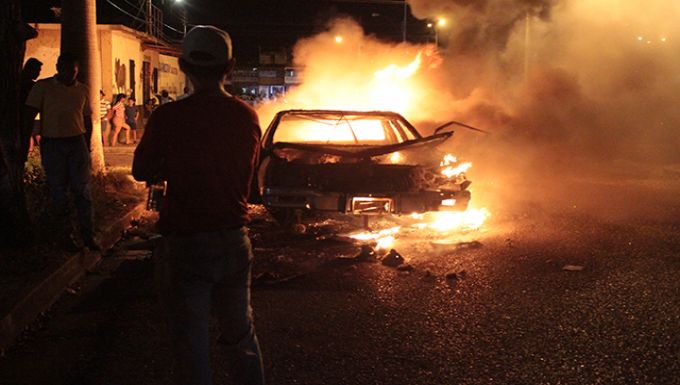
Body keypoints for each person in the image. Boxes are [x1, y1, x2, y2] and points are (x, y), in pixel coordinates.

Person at [132, 26, 264, 385]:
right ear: (231, 66)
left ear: (183, 64)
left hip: (187, 242)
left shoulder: (168, 118)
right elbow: (249, 178)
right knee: (241, 336)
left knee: (191, 341)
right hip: (234, 239)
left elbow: (140, 169)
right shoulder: (246, 116)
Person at [24, 53, 100, 252]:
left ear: (77, 71)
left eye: (73, 71)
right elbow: (29, 115)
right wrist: (26, 140)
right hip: (52, 143)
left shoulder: (83, 89)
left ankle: (88, 236)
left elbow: (87, 120)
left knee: (82, 191)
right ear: (58, 68)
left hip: (76, 142)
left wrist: (87, 143)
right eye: (66, 70)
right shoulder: (43, 87)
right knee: (59, 192)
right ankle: (66, 237)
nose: (69, 75)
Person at [19, 58, 43, 162]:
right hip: (23, 121)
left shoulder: (31, 85)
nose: (38, 74)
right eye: (36, 70)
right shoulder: (30, 87)